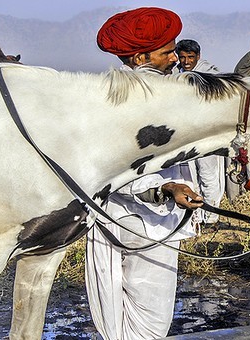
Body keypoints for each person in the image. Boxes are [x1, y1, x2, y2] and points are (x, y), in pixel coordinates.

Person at [86, 7, 205, 339]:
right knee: (151, 325)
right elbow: (118, 165)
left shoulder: (105, 93)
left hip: (111, 219)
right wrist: (166, 187)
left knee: (116, 321)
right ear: (140, 58)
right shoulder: (149, 97)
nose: (174, 60)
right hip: (149, 225)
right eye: (167, 53)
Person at [174, 38, 225, 228]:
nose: (186, 61)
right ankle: (194, 218)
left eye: (190, 57)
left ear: (198, 56)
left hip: (206, 133)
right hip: (184, 133)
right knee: (188, 174)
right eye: (183, 57)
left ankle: (211, 218)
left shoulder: (210, 75)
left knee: (208, 174)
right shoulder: (174, 74)